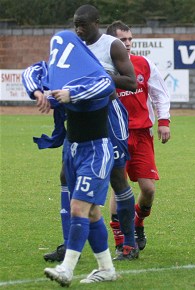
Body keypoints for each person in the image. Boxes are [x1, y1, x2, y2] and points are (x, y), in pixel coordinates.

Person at [43, 4, 139, 262]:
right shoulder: (72, 46)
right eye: (75, 25)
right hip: (78, 115)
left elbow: (132, 81)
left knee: (117, 177)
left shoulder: (112, 46)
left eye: (82, 25)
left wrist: (102, 76)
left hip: (107, 116)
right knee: (66, 173)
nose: (78, 29)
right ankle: (68, 244)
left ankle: (129, 244)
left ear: (96, 23)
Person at [22, 30, 117, 286]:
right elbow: (32, 71)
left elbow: (106, 85)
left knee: (78, 207)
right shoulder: (62, 69)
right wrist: (37, 93)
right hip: (73, 150)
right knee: (93, 212)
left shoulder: (95, 73)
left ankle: (67, 269)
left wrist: (70, 93)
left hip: (96, 151)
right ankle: (107, 269)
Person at [105, 20, 171, 255]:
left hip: (142, 134)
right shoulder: (103, 67)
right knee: (118, 187)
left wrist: (164, 121)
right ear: (112, 43)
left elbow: (159, 94)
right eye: (123, 41)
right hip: (114, 134)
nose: (128, 44)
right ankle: (121, 240)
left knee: (148, 189)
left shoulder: (143, 64)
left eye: (130, 40)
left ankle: (138, 221)